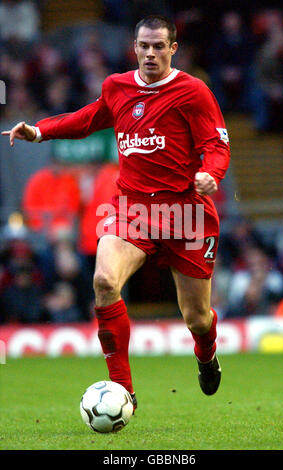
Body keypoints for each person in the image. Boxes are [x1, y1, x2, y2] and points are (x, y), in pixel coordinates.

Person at [2, 15, 230, 411]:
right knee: (105, 281)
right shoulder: (117, 87)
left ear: (172, 49)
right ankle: (123, 390)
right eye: (144, 45)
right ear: (134, 47)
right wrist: (39, 131)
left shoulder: (193, 92)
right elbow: (88, 119)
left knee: (197, 319)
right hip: (132, 208)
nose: (150, 53)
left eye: (159, 46)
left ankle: (207, 356)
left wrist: (210, 173)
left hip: (186, 213)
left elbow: (217, 144)